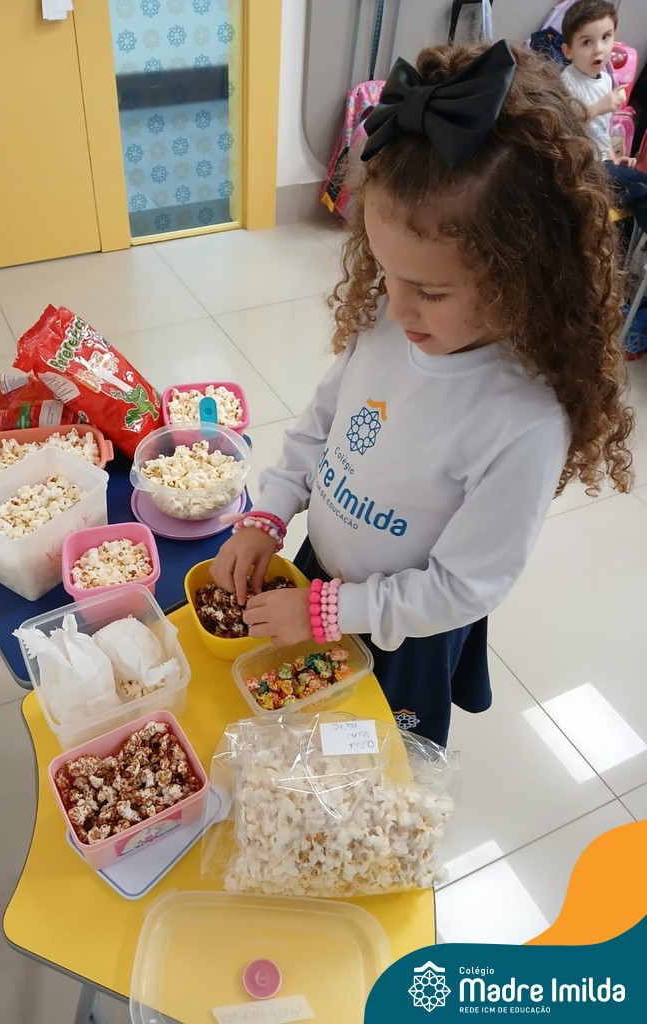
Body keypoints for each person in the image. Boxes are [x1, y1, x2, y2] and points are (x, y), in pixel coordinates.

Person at [210, 39, 634, 748]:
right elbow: (319, 428)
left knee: (372, 760)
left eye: (431, 292)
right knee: (296, 737)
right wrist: (268, 514)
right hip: (321, 578)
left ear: (526, 276)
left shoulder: (523, 423)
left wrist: (328, 614)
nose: (396, 308)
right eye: (385, 272)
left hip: (402, 627)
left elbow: (461, 589)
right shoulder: (390, 322)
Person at [560, 0, 647, 232]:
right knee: (641, 189)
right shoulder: (567, 82)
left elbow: (601, 131)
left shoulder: (607, 80)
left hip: (603, 164)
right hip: (583, 168)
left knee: (636, 188)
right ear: (568, 51)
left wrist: (614, 159)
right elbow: (566, 128)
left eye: (606, 37)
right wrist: (599, 107)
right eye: (587, 42)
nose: (599, 49)